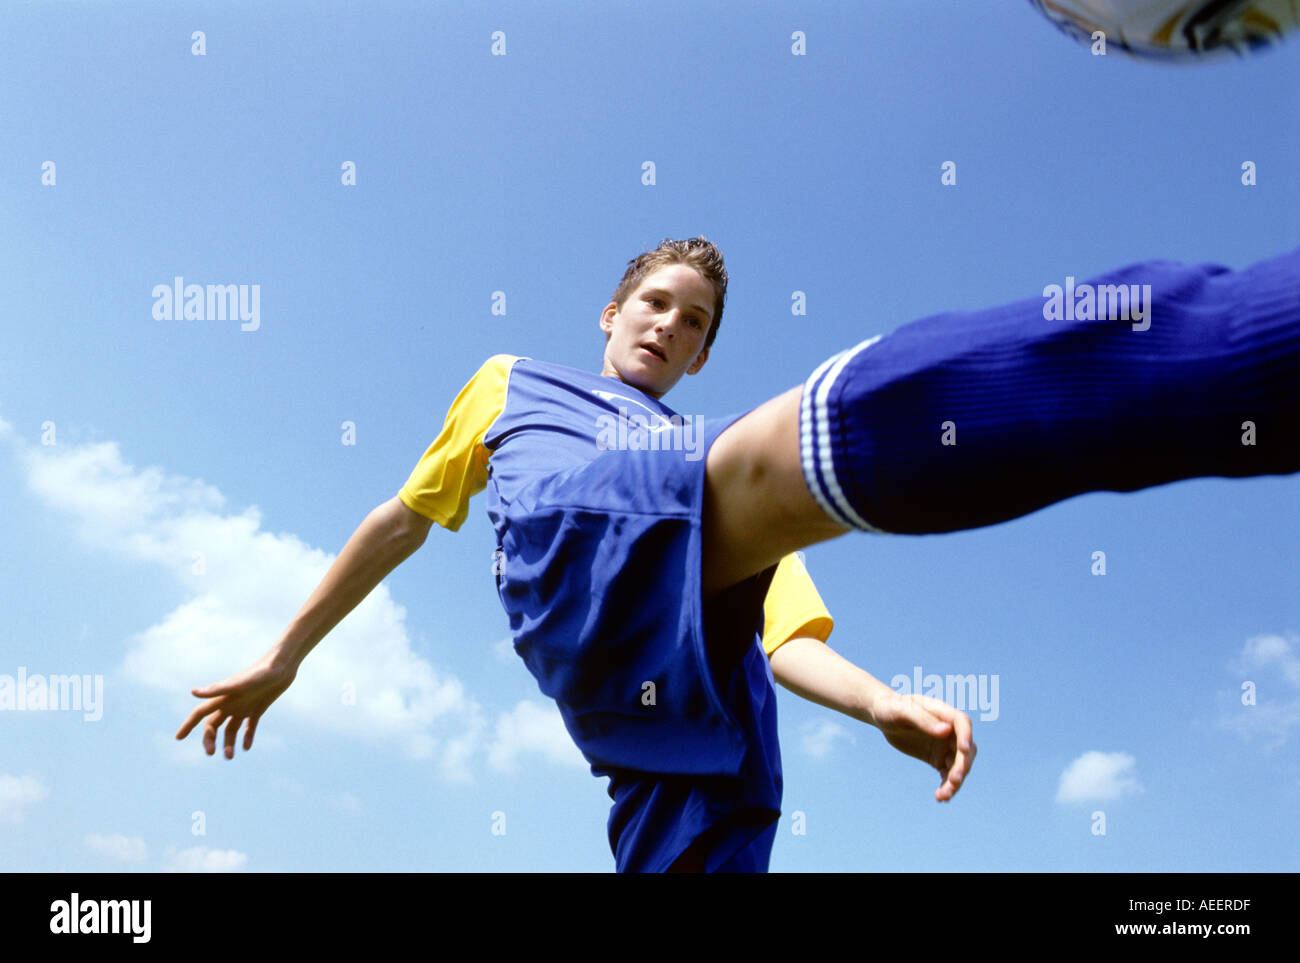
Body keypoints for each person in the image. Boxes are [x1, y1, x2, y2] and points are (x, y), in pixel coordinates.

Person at [177, 236, 1298, 871]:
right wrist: (286, 656)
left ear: (703, 354)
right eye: (655, 303)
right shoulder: (516, 381)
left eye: (696, 321)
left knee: (735, 790)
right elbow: (402, 521)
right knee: (762, 469)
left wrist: (880, 704)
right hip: (571, 553)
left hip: (679, 723)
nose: (669, 324)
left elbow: (784, 638)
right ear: (611, 310)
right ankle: (1246, 338)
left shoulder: (695, 457)